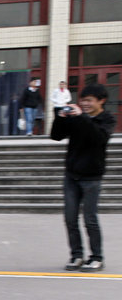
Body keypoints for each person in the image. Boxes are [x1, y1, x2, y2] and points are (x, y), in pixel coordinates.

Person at [50, 83, 116, 272]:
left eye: (89, 101)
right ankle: (76, 255)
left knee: (90, 219)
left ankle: (96, 257)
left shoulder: (107, 119)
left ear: (101, 101)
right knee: (70, 218)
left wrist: (82, 117)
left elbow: (99, 139)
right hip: (72, 175)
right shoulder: (77, 118)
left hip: (92, 177)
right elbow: (56, 136)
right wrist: (60, 119)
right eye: (82, 100)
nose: (84, 104)